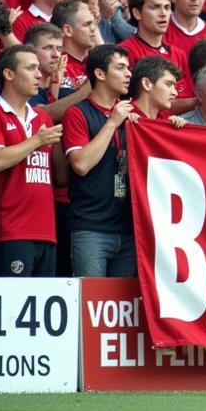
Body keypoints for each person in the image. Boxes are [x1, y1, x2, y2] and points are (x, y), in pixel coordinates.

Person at [0, 44, 62, 277]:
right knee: (13, 311)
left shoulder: (42, 116)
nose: (38, 74)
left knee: (41, 311)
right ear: (8, 74)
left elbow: (60, 175)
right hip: (11, 231)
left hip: (46, 231)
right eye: (31, 68)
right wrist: (37, 140)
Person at [61, 43, 138, 277]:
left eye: (129, 68)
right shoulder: (77, 113)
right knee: (90, 307)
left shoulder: (130, 115)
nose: (129, 74)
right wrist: (112, 123)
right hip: (90, 228)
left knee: (122, 311)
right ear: (100, 74)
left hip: (127, 229)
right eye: (121, 68)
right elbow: (81, 165)